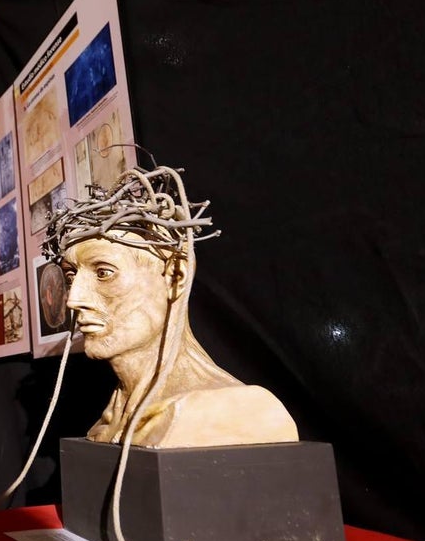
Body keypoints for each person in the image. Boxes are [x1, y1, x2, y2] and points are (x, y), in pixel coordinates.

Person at [43, 165, 298, 448]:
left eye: (104, 272)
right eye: (71, 276)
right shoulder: (111, 416)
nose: (73, 299)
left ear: (175, 277)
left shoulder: (237, 410)